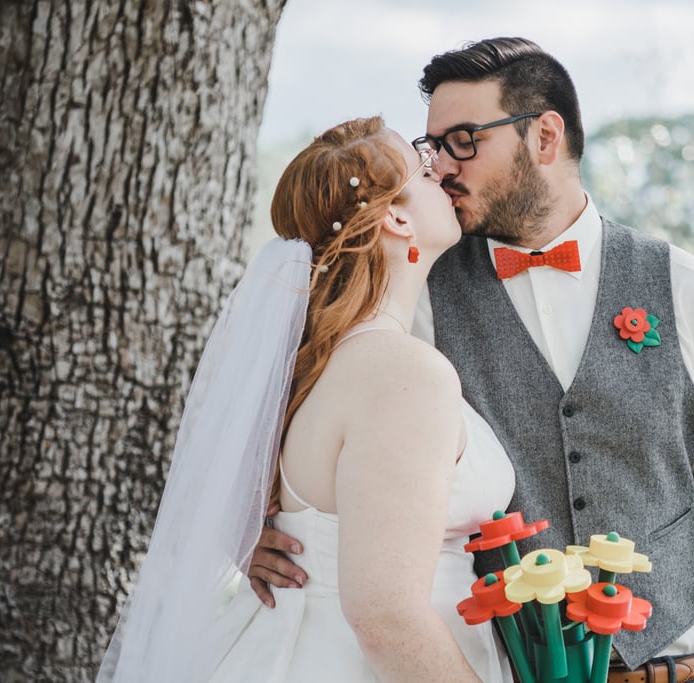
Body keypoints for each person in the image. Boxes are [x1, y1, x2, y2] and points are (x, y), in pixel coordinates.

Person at [250, 38, 694, 683]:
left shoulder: (691, 291)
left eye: (464, 139)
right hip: (501, 668)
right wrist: (257, 529)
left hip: (673, 670)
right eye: (433, 146)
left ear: (545, 136)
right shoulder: (410, 299)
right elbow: (302, 426)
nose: (441, 166)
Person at [98, 117, 514, 682]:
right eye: (423, 162)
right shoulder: (403, 373)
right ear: (396, 216)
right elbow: (386, 617)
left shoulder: (317, 362)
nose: (441, 163)